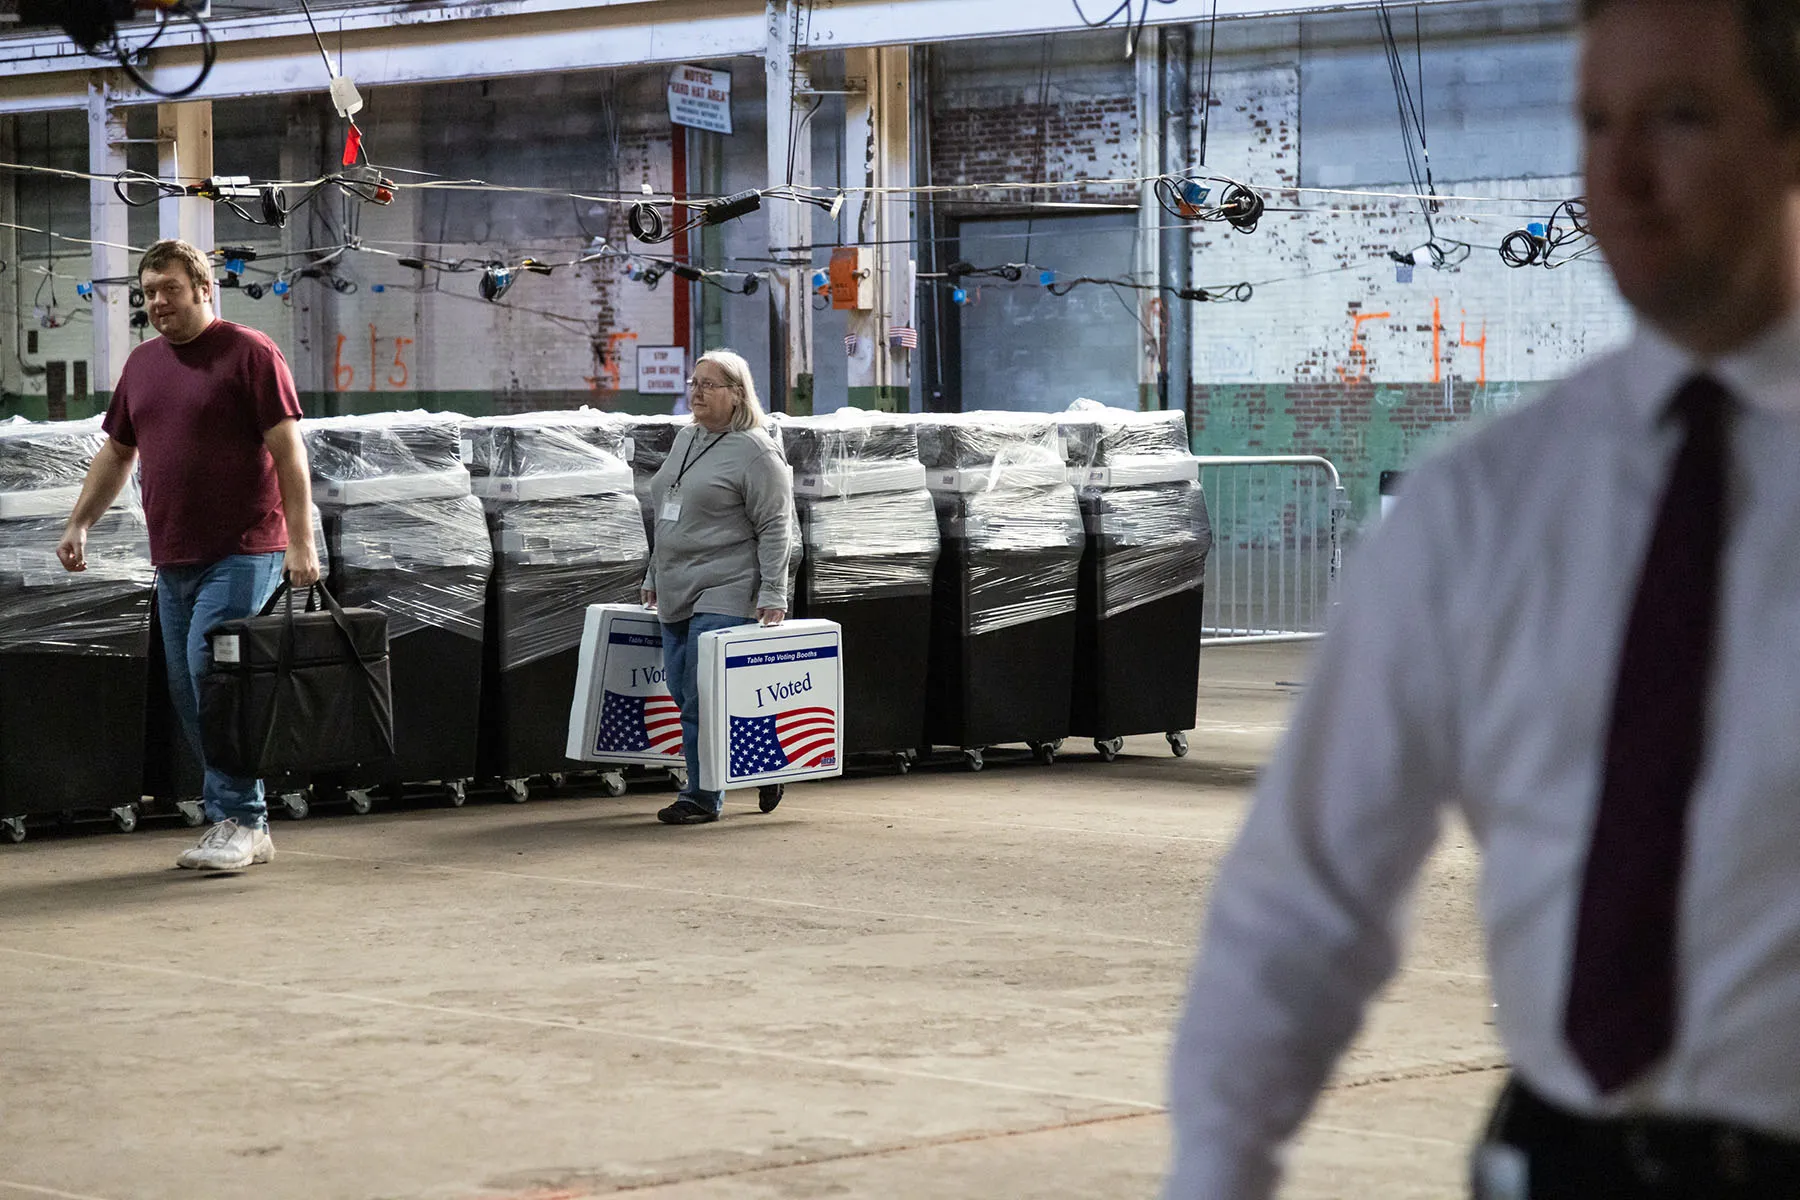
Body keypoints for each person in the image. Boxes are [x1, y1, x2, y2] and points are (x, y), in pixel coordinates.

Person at [1165, 2, 1800, 1197]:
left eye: (1678, 117)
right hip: (1560, 1158)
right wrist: (1216, 1169)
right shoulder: (1482, 510)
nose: (1619, 174)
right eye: (1594, 121)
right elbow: (1305, 895)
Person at [57, 238, 319, 873]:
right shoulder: (143, 366)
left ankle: (241, 820)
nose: (158, 302)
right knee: (187, 688)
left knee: (212, 678)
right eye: (148, 293)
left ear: (204, 288)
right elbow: (117, 454)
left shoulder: (250, 353)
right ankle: (237, 817)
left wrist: (302, 541)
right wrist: (79, 522)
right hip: (172, 557)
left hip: (244, 549)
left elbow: (289, 451)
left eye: (170, 288)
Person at [640, 349, 794, 825]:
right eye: (694, 382)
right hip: (676, 582)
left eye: (709, 384)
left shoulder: (755, 450)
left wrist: (773, 590)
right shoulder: (686, 438)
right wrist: (652, 574)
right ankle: (760, 762)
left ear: (737, 393)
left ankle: (703, 795)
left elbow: (776, 524)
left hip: (728, 584)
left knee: (701, 692)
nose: (697, 392)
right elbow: (668, 509)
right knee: (683, 691)